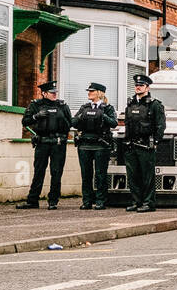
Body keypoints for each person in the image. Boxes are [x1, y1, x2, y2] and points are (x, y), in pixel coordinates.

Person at [17, 80, 73, 211]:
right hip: (42, 142)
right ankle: (32, 200)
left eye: (55, 92)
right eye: (51, 93)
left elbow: (70, 123)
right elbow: (25, 121)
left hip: (58, 143)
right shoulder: (36, 105)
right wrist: (36, 116)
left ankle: (53, 201)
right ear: (44, 93)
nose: (54, 95)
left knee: (56, 172)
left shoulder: (62, 106)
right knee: (38, 172)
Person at [122, 73, 165, 214]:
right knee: (133, 176)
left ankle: (148, 203)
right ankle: (136, 201)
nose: (138, 87)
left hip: (146, 145)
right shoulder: (131, 103)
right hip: (132, 145)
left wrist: (156, 142)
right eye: (136, 85)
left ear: (147, 87)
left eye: (141, 85)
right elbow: (127, 124)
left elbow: (160, 125)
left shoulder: (154, 104)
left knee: (147, 176)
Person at [71, 82, 116, 211]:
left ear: (99, 93)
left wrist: (102, 115)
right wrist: (81, 116)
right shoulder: (84, 107)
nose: (89, 93)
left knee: (100, 174)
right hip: (85, 144)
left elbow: (113, 123)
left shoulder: (107, 108)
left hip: (100, 144)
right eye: (89, 91)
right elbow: (73, 122)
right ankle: (87, 201)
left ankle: (101, 201)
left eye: (92, 91)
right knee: (86, 175)